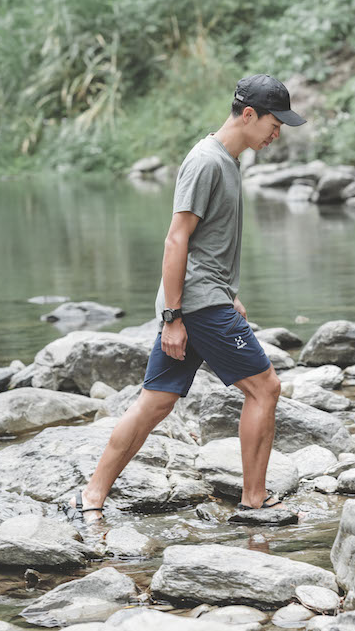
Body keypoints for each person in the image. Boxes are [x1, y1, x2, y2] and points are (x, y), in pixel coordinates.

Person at [68, 74, 306, 523]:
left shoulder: (228, 160)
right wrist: (173, 317)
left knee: (156, 401)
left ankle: (91, 496)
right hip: (196, 305)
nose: (277, 134)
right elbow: (176, 239)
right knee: (265, 388)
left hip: (204, 298)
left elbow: (207, 243)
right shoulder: (206, 162)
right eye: (275, 124)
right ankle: (254, 500)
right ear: (249, 115)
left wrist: (228, 294)